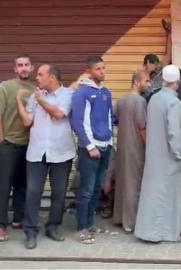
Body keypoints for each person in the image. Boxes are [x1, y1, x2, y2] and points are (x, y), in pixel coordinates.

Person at [15, 64, 75, 249]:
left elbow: (58, 114)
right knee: (33, 192)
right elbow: (27, 121)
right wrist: (19, 100)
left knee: (58, 192)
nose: (37, 77)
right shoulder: (35, 95)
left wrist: (41, 101)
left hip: (61, 151)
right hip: (36, 152)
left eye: (41, 74)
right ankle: (31, 231)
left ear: (52, 77)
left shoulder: (68, 95)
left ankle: (53, 227)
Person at [134, 64, 181, 242]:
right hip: (168, 157)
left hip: (154, 153)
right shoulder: (174, 102)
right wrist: (178, 153)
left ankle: (146, 230)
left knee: (151, 193)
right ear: (177, 82)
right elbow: (174, 133)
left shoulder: (154, 99)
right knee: (167, 195)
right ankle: (164, 233)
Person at [0, 54, 35, 241]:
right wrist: (1, 141)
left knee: (22, 185)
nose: (23, 68)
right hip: (8, 144)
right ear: (14, 69)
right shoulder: (5, 87)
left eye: (26, 65)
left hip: (29, 145)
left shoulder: (35, 89)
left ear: (31, 68)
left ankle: (18, 219)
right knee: (2, 186)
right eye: (20, 65)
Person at [71, 56, 113, 244]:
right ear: (89, 71)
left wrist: (110, 141)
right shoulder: (82, 93)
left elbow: (109, 117)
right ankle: (81, 228)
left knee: (97, 188)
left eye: (104, 68)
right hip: (90, 148)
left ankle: (90, 225)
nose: (102, 72)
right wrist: (90, 145)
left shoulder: (106, 92)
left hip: (105, 146)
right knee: (86, 190)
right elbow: (78, 122)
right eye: (98, 69)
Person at [113, 70, 150, 232]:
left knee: (123, 182)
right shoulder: (140, 101)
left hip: (122, 145)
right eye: (147, 81)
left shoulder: (121, 100)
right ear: (136, 82)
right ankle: (131, 222)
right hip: (135, 147)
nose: (149, 84)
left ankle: (120, 217)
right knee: (133, 184)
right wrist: (149, 146)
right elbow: (143, 127)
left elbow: (115, 120)